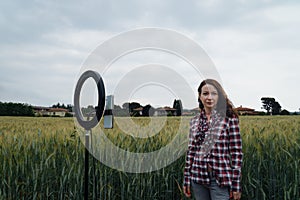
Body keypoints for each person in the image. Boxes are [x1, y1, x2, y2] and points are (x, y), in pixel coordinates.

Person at [183, 79, 243, 200]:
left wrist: (236, 185)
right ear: (200, 97)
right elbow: (191, 152)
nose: (209, 97)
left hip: (220, 178)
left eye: (213, 93)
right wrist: (186, 179)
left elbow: (236, 154)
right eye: (205, 93)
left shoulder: (229, 119)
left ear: (219, 96)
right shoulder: (194, 121)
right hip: (197, 177)